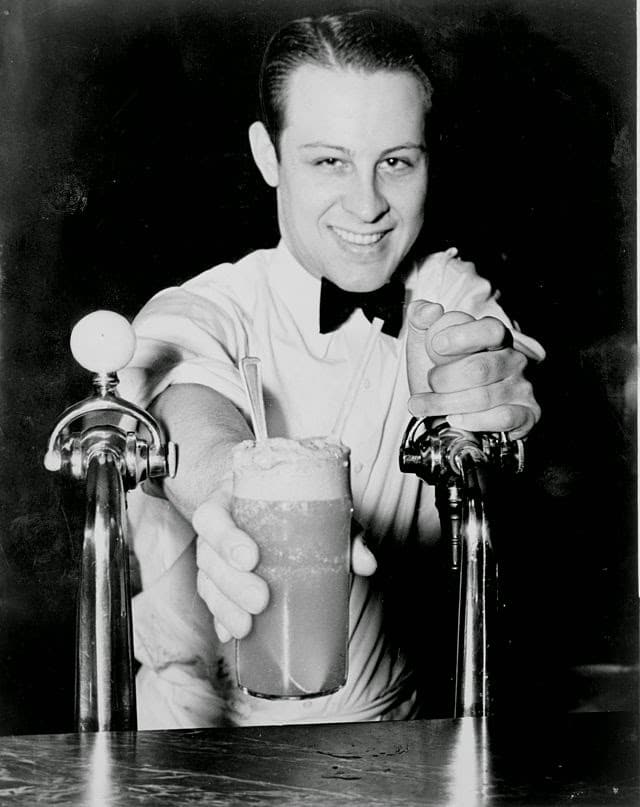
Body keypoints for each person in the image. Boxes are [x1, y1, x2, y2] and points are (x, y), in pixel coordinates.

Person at [119, 8, 544, 729]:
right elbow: (184, 396)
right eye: (329, 161)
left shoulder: (444, 293)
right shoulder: (205, 307)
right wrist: (233, 500)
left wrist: (480, 385)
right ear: (266, 155)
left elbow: (491, 356)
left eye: (396, 161)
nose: (369, 203)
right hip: (196, 747)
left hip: (392, 748)